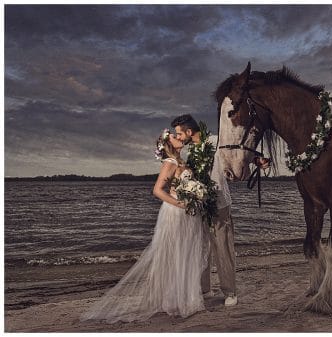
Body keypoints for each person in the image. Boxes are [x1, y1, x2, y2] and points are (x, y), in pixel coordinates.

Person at [81, 129, 209, 323]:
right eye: (175, 136)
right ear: (168, 144)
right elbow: (157, 190)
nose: (179, 137)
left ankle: (184, 298)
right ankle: (171, 299)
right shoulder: (170, 162)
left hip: (187, 214)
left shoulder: (182, 162)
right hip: (174, 213)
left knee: (184, 252)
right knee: (172, 254)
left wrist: (195, 197)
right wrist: (181, 204)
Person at [171, 114, 237, 306]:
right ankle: (205, 288)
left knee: (222, 247)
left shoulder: (216, 142)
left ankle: (230, 291)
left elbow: (234, 159)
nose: (179, 137)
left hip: (220, 204)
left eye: (179, 133)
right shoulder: (192, 153)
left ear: (189, 132)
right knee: (201, 247)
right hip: (200, 204)